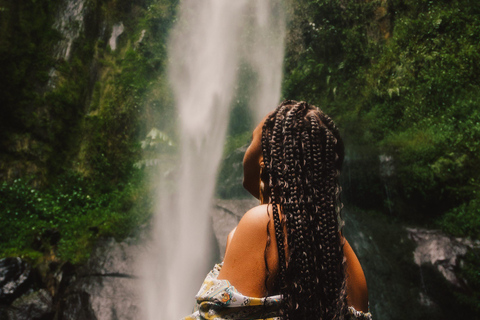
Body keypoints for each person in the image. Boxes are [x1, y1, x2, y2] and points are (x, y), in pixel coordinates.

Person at [183, 100, 371, 320]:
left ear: (267, 160)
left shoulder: (265, 223)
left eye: (251, 139)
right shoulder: (347, 260)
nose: (245, 148)